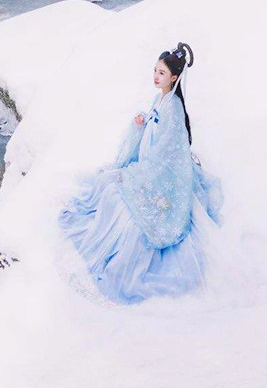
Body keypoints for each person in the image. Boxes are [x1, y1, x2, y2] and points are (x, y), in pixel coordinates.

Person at [59, 43, 222, 304]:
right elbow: (153, 132)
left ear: (174, 78)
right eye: (155, 71)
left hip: (160, 175)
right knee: (107, 185)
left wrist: (141, 174)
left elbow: (167, 154)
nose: (155, 77)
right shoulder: (160, 98)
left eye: (161, 73)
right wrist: (142, 122)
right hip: (148, 165)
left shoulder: (174, 108)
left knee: (126, 209)